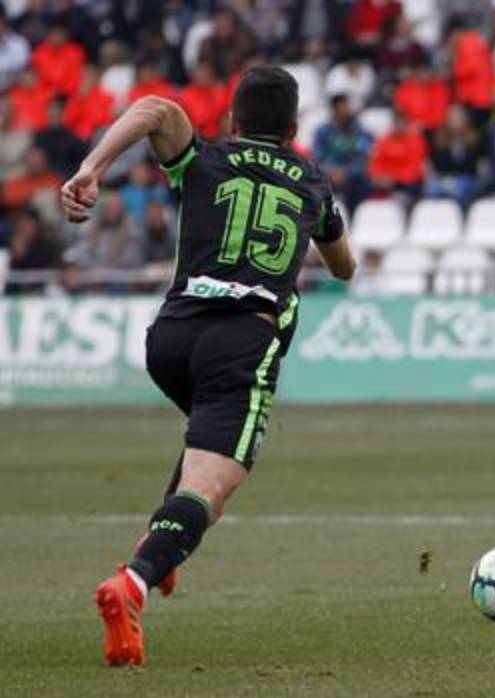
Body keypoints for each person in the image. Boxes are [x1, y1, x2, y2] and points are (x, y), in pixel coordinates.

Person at [59, 65, 357, 667]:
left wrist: (92, 169)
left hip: (169, 340)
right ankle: (135, 580)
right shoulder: (312, 181)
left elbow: (153, 108)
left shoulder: (205, 158)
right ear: (295, 129)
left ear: (232, 120)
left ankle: (160, 543)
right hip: (239, 342)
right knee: (211, 485)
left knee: (206, 450)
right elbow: (344, 267)